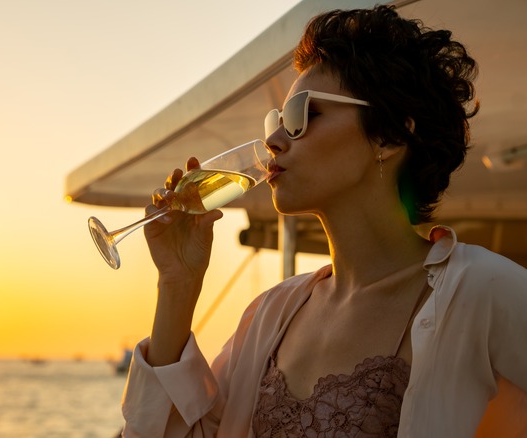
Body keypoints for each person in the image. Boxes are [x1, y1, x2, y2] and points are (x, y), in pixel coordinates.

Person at [120, 5, 527, 437]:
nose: (274, 141)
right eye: (276, 121)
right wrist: (178, 284)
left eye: (301, 116)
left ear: (388, 136)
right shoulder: (269, 314)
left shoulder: (485, 290)